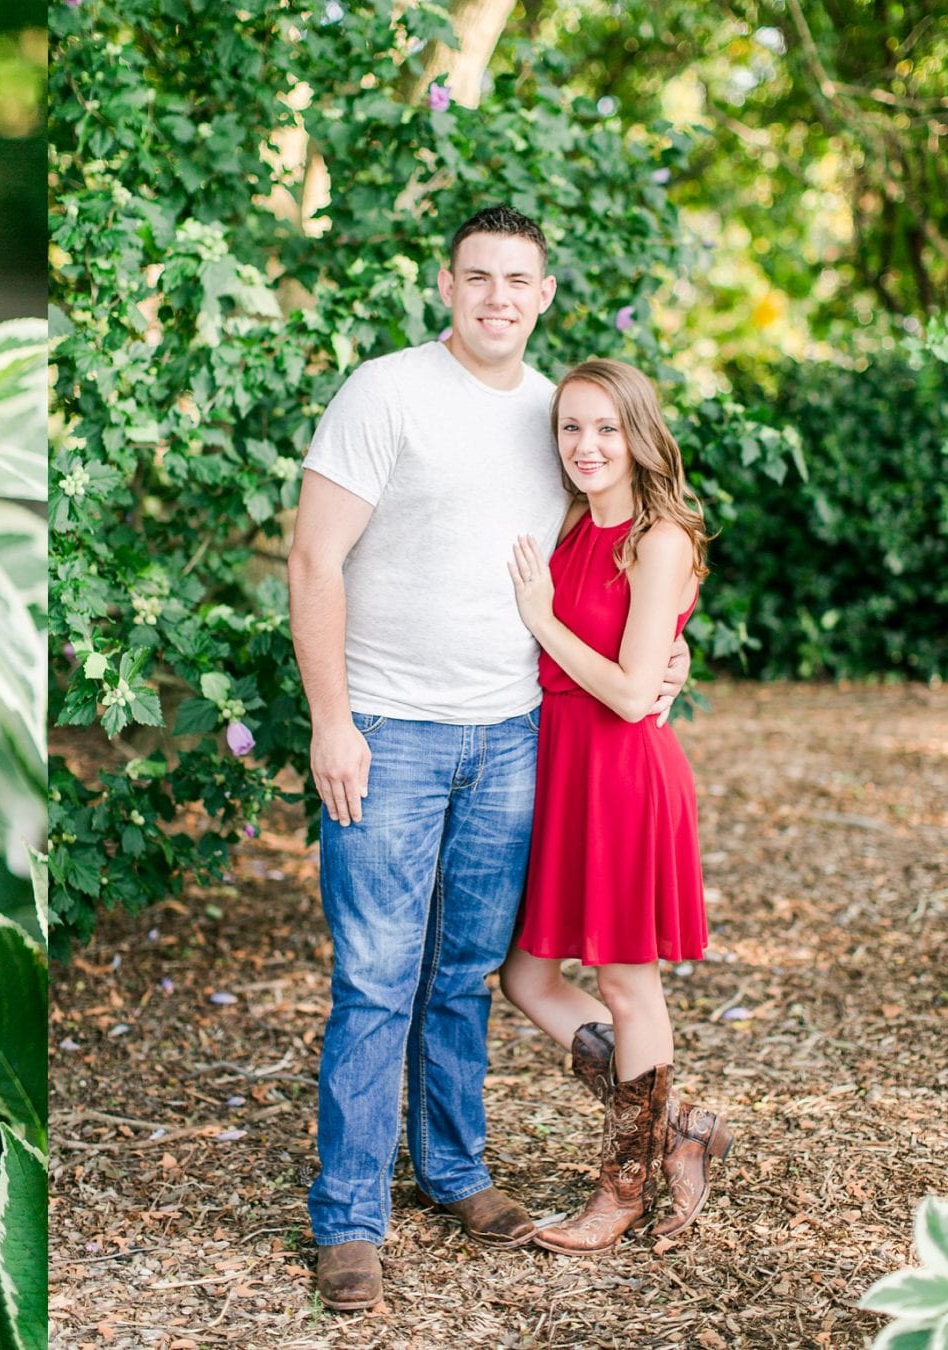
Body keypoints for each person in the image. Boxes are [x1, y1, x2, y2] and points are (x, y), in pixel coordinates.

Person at [286, 205, 689, 1312]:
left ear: (546, 292)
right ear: (448, 284)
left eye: (519, 279)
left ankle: (454, 1172)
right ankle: (351, 1218)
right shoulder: (386, 391)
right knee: (374, 980)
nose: (498, 297)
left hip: (514, 733)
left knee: (462, 975)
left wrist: (672, 644)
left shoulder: (563, 417)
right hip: (392, 730)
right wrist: (334, 720)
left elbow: (630, 545)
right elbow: (314, 557)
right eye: (479, 278)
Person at [498, 358, 732, 1253]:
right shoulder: (569, 528)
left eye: (606, 428)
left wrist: (541, 619)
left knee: (627, 985)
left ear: (639, 436)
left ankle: (621, 1188)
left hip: (624, 775)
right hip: (564, 768)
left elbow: (635, 694)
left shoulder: (657, 537)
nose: (587, 446)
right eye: (571, 429)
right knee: (526, 978)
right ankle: (676, 1133)